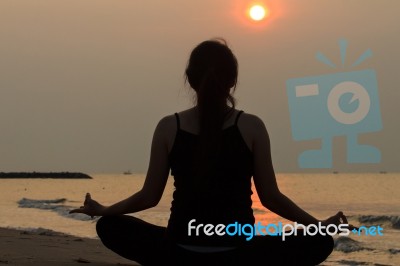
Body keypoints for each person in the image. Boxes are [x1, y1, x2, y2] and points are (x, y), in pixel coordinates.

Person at [70, 38, 352, 265]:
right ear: (232, 81)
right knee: (319, 241)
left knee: (109, 226)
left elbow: (149, 196)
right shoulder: (252, 126)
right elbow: (271, 198)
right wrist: (318, 225)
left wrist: (104, 210)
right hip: (239, 255)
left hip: (177, 253)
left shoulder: (169, 127)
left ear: (191, 80)